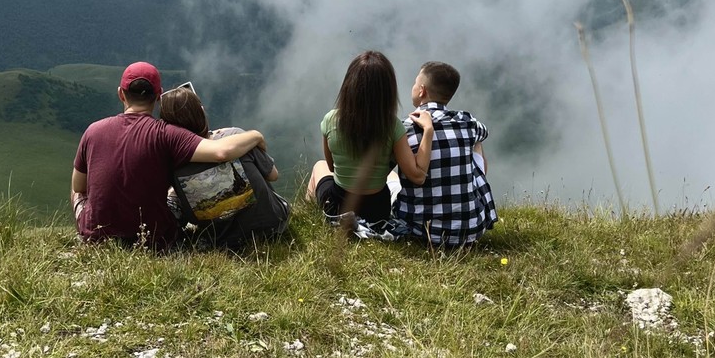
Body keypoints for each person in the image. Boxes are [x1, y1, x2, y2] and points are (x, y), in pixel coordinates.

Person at [71, 62, 267, 251]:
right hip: (154, 239)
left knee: (76, 192)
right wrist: (255, 135)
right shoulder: (167, 134)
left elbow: (79, 186)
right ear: (159, 96)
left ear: (121, 94)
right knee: (173, 191)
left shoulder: (92, 130)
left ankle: (92, 230)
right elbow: (221, 152)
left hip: (97, 238)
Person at [307, 50, 435, 224]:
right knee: (392, 177)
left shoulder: (331, 119)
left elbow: (331, 166)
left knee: (319, 166)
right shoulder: (392, 126)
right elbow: (418, 176)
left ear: (349, 85)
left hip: (338, 207)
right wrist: (428, 131)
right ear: (387, 90)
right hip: (377, 212)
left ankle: (311, 219)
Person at [159, 85, 290, 248]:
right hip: (273, 227)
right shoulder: (235, 137)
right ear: (201, 111)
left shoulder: (172, 162)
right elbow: (273, 175)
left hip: (222, 240)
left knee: (173, 194)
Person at [393, 61, 497, 247]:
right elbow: (484, 132)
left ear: (421, 91)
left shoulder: (404, 128)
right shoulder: (468, 122)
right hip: (470, 231)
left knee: (391, 178)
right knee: (476, 141)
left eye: (415, 82)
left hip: (419, 231)